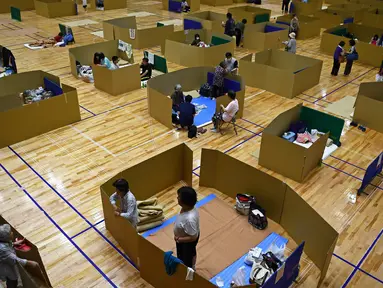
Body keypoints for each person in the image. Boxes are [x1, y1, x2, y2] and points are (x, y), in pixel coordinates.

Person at [0, 224, 40, 288]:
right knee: (13, 280)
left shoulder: (4, 241)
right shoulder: (2, 250)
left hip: (7, 263)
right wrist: (29, 263)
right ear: (6, 237)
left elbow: (8, 244)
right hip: (6, 268)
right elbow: (15, 260)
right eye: (10, 232)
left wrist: (15, 243)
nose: (12, 232)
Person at [174, 186, 200, 270]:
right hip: (183, 238)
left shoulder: (189, 219)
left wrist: (179, 239)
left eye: (179, 197)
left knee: (187, 258)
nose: (177, 198)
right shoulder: (187, 208)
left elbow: (193, 237)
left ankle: (189, 269)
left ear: (185, 201)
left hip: (186, 241)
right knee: (186, 254)